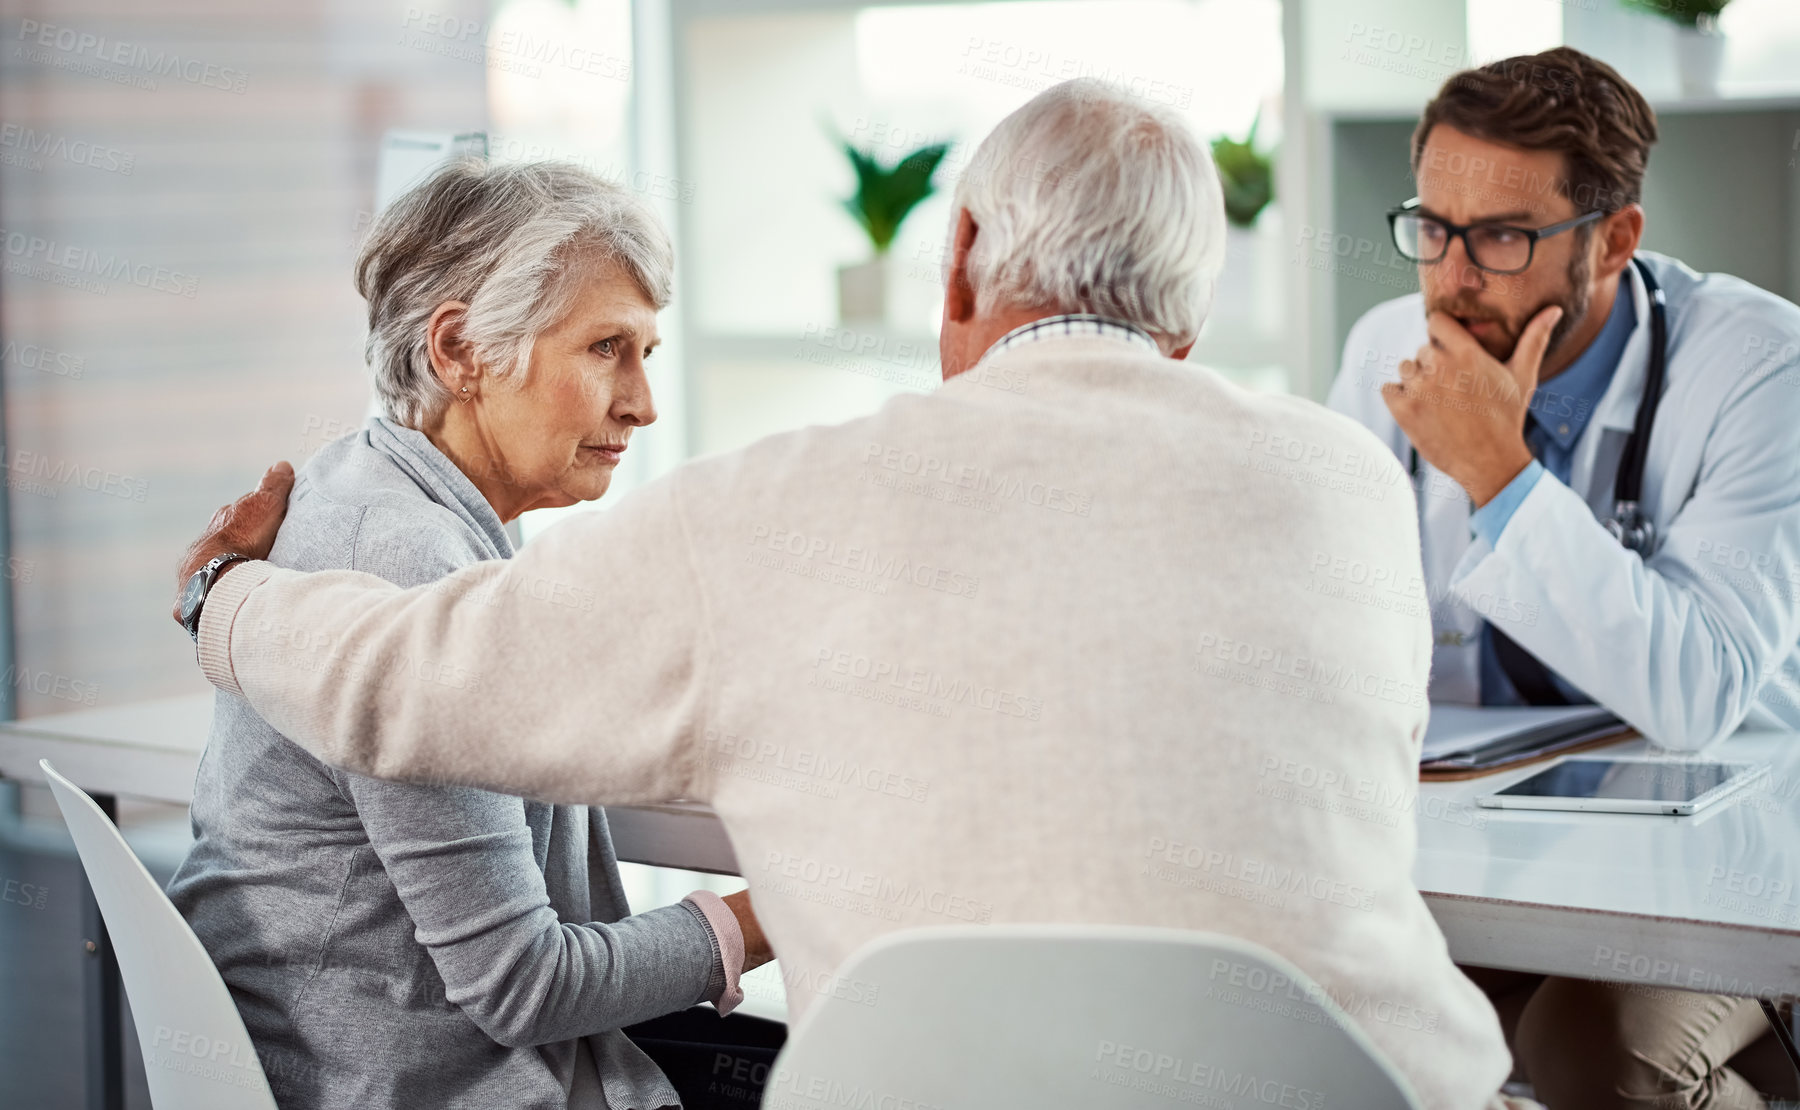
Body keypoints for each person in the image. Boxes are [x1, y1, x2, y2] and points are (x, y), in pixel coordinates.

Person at [175, 80, 1521, 1109]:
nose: (641, 401)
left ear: (960, 257)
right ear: (1187, 325)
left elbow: (406, 680)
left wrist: (226, 596)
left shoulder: (774, 501)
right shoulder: (1351, 478)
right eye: (609, 352)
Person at [165, 161, 778, 1110]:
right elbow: (526, 983)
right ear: (459, 351)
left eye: (646, 353)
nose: (642, 403)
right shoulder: (408, 556)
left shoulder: (363, 484)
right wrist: (788, 906)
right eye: (606, 348)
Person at [1325, 48, 1800, 1109]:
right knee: (1341, 1010)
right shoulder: (1384, 353)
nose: (1450, 277)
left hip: (1727, 858)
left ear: (1617, 238)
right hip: (1487, 842)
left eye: (1501, 236)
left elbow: (1698, 696)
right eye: (1433, 228)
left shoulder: (1763, 368)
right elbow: (1333, 628)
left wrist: (1500, 471)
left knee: (1596, 1049)